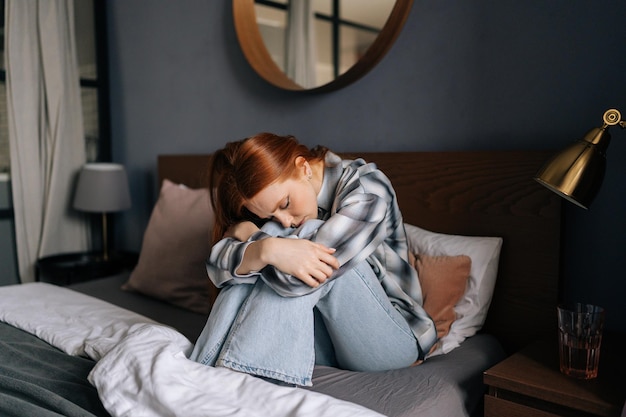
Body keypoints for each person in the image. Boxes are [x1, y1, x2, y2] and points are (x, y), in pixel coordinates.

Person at [189, 133, 436, 386]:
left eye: (285, 203)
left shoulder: (368, 189)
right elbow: (216, 267)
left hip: (391, 341)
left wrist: (258, 244)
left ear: (304, 167)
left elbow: (296, 281)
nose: (285, 219)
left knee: (295, 238)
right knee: (275, 238)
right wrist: (264, 249)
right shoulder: (277, 214)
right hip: (327, 341)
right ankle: (205, 373)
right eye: (271, 214)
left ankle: (245, 380)